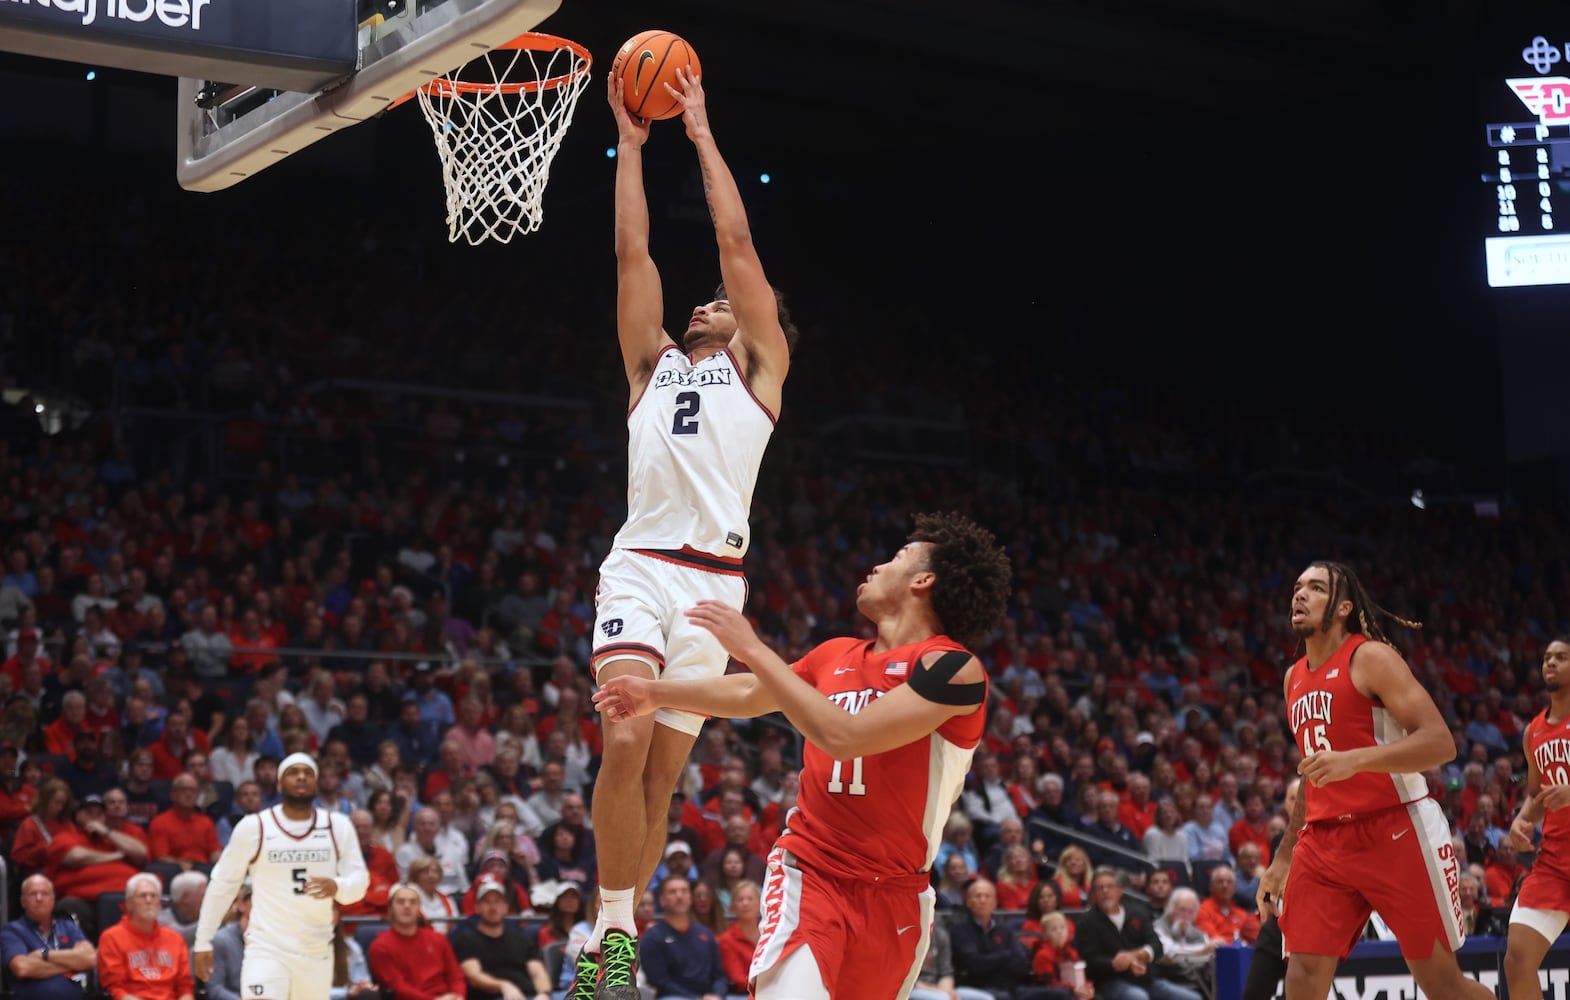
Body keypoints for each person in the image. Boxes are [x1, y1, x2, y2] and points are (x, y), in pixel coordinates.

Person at [582, 55, 799, 1000]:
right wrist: (631, 146)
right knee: (625, 737)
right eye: (703, 300)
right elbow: (633, 257)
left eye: (723, 301)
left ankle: (615, 953)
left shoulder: (759, 371)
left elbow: (737, 249)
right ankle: (610, 931)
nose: (708, 299)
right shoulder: (651, 365)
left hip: (716, 588)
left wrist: (703, 131)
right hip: (640, 567)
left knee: (663, 780)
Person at [595, 511, 1011, 1000]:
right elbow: (753, 693)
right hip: (809, 874)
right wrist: (656, 694)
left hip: (897, 897)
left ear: (924, 580)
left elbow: (844, 734)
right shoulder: (834, 653)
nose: (877, 566)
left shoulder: (954, 671)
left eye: (897, 558)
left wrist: (752, 647)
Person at [1256, 561, 1490, 1000]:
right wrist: (1284, 857)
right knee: (1302, 978)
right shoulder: (1293, 679)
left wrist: (1356, 761)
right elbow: (1313, 774)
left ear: (1343, 607)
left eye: (1316, 588)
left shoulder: (1371, 657)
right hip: (1324, 842)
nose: (1299, 595)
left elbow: (1440, 743)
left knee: (1442, 985)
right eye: (1297, 587)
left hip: (1396, 830)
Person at [191, 752, 370, 999]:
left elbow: (360, 884)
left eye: (308, 773)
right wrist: (203, 941)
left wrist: (337, 886)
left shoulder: (338, 826)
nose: (300, 777)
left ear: (316, 784)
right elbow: (222, 885)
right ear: (278, 784)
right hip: (266, 949)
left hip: (315, 950)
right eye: (292, 772)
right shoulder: (254, 826)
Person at [1503, 635, 1570, 1000]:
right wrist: (1520, 820)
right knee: (1517, 960)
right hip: (1555, 862)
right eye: (1547, 658)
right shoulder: (1534, 731)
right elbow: (1537, 794)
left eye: (1561, 657)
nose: (1551, 663)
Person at [1074, 867, 1201, 1000]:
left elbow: (1157, 945)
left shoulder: (1137, 913)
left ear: (1119, 890)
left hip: (1145, 978)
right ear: (1093, 894)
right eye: (1100, 888)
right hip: (1109, 981)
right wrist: (1125, 963)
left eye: (1110, 886)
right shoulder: (1087, 922)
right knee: (1138, 997)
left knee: (1193, 998)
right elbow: (1091, 960)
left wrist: (1139, 956)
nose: (1105, 891)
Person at [450, 876, 554, 1000]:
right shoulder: (465, 940)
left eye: (498, 902)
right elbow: (474, 977)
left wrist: (544, 994)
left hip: (529, 994)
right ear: (477, 907)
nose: (493, 907)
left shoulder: (521, 938)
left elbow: (537, 971)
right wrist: (503, 986)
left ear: (506, 908)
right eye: (487, 902)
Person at [97, 872, 196, 1000]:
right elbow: (116, 989)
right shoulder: (111, 937)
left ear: (159, 903)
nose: (149, 900)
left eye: (153, 896)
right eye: (142, 896)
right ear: (129, 904)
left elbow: (185, 987)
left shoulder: (175, 939)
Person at [1240, 778, 1297, 1000]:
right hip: (1275, 928)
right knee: (1254, 993)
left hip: (1304, 931)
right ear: (1285, 804)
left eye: (1299, 798)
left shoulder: (1323, 838)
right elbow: (1271, 880)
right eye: (1291, 798)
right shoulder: (1279, 841)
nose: (1296, 803)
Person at [1, 874, 97, 1000]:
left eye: (44, 893)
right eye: (33, 894)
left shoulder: (68, 927)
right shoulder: (12, 930)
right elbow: (22, 968)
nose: (39, 898)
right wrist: (73, 963)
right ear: (23, 902)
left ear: (53, 899)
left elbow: (91, 959)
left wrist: (44, 955)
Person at [366, 883, 466, 1000]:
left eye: (413, 902)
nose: (407, 906)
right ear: (390, 908)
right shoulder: (380, 947)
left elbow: (456, 977)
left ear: (419, 908)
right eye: (400, 902)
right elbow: (398, 988)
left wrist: (459, 996)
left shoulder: (438, 939)